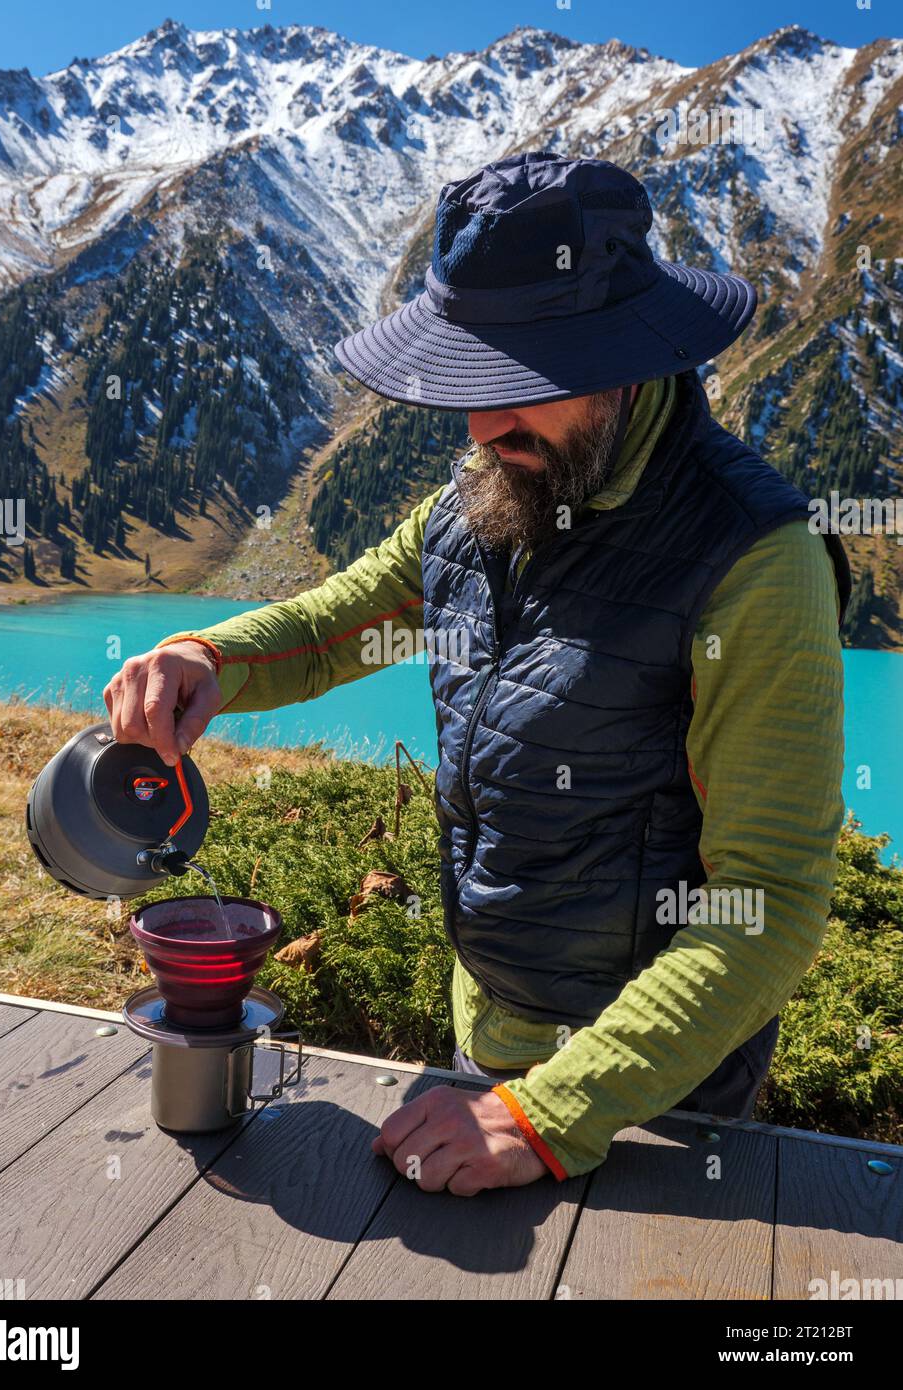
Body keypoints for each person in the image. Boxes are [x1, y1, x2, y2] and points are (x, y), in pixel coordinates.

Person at [105, 153, 850, 1197]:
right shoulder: (487, 494)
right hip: (481, 1058)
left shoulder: (755, 561)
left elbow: (766, 905)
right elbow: (337, 629)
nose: (483, 425)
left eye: (526, 383)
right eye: (471, 382)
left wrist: (547, 1113)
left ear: (630, 355)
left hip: (656, 1107)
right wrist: (206, 657)